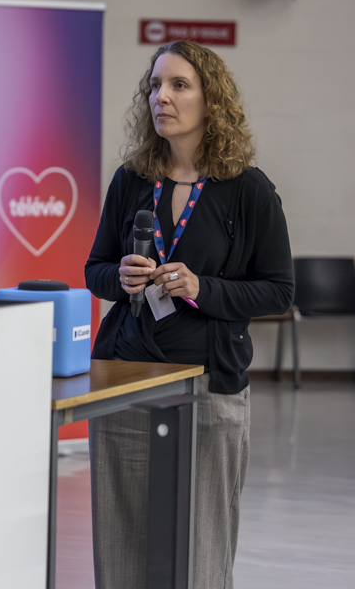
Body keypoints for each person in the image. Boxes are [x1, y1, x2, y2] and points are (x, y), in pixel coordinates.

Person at [84, 40, 294, 589]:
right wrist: (119, 277)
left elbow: (278, 291)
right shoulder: (131, 179)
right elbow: (94, 269)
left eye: (179, 85)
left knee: (201, 549)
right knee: (121, 543)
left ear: (211, 100)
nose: (162, 97)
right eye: (155, 85)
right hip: (125, 378)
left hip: (208, 385)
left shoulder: (248, 190)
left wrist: (203, 288)